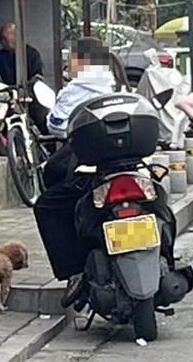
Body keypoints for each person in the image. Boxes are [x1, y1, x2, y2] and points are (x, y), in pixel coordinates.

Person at [35, 38, 121, 284]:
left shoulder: (79, 87)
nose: (68, 64)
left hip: (91, 170)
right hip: (124, 165)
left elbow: (56, 125)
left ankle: (74, 272)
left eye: (71, 59)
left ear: (83, 61)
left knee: (47, 207)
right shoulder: (116, 81)